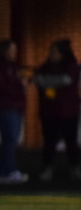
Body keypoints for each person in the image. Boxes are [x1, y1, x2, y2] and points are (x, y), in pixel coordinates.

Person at [34, 39, 80, 182]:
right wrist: (50, 81)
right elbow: (37, 80)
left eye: (54, 51)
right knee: (49, 142)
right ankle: (47, 168)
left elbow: (66, 80)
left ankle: (75, 168)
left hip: (68, 112)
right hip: (50, 112)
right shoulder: (45, 66)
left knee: (71, 142)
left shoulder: (71, 66)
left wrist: (47, 81)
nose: (51, 54)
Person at [0, 39, 28, 184]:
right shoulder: (0, 68)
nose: (14, 53)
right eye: (11, 50)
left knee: (9, 140)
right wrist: (18, 88)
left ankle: (3, 171)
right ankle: (9, 170)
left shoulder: (12, 67)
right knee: (10, 138)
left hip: (13, 107)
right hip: (5, 107)